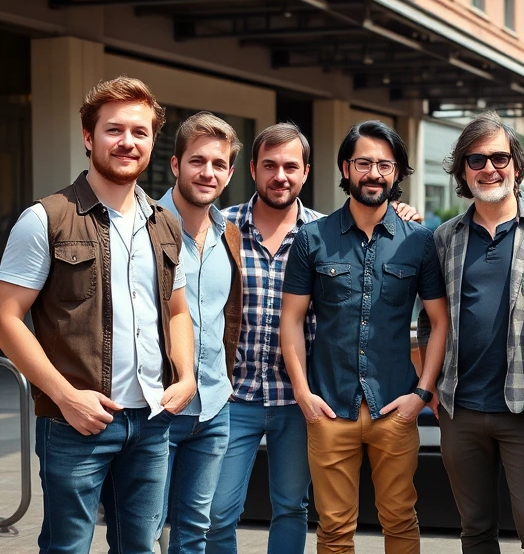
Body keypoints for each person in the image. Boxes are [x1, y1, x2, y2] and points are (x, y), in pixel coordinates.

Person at [0, 76, 196, 552]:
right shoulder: (46, 218)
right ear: (89, 137)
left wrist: (187, 376)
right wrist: (66, 398)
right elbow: (7, 319)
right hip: (74, 423)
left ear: (152, 142)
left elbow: (176, 311)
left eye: (140, 132)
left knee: (142, 547)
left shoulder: (165, 222)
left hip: (151, 420)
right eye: (114, 130)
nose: (127, 142)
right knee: (67, 547)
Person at [280, 120, 449, 553]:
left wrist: (422, 392)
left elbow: (439, 321)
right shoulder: (312, 239)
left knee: (400, 520)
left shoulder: (420, 241)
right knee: (334, 530)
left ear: (397, 174)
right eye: (364, 163)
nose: (374, 173)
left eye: (385, 165)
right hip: (329, 408)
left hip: (395, 407)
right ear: (345, 168)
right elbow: (292, 320)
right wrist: (303, 393)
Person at [421, 111, 524, 553]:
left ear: (518, 166)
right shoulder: (444, 237)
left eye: (500, 158)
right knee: (475, 528)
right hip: (459, 407)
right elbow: (434, 319)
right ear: (463, 171)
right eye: (476, 160)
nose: (489, 168)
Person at [207, 122, 323, 554]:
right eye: (270, 165)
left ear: (305, 172)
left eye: (290, 167)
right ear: (252, 169)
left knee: (291, 506)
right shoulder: (222, 227)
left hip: (298, 399)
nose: (281, 176)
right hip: (233, 395)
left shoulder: (323, 234)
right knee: (218, 512)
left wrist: (404, 214)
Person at [154, 111, 244, 553]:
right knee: (143, 532)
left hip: (213, 409)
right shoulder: (144, 226)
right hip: (157, 408)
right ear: (176, 165)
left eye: (218, 164)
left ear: (228, 173)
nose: (207, 172)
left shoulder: (231, 233)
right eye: (197, 161)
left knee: (194, 533)